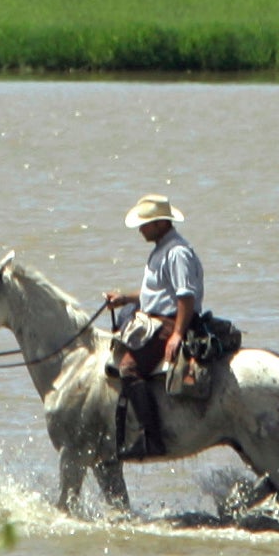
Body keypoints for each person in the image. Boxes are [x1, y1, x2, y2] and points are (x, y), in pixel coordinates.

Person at [102, 194, 203, 460]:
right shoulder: (161, 249)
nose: (140, 229)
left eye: (145, 224)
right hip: (159, 316)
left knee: (129, 367)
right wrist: (126, 299)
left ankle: (153, 438)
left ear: (160, 224)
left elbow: (185, 296)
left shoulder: (176, 252)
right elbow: (157, 293)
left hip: (170, 321)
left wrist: (177, 334)